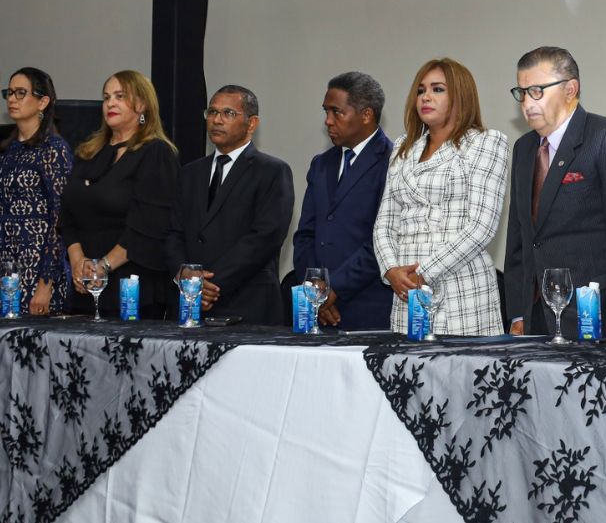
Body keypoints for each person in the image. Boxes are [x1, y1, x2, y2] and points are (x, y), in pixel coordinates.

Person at [504, 46, 606, 340]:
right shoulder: (524, 148)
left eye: (537, 91)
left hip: (594, 312)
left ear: (570, 89)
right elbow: (519, 238)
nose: (527, 103)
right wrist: (518, 312)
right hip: (536, 314)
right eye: (522, 92)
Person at [374, 58, 507, 336]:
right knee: (406, 364)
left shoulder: (486, 142)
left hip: (460, 286)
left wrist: (423, 272)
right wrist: (391, 271)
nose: (426, 97)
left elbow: (481, 227)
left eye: (437, 89)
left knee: (462, 365)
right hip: (406, 291)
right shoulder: (403, 146)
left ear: (461, 96)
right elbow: (384, 223)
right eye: (421, 90)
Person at [165, 85, 294, 325]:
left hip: (247, 304)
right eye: (212, 112)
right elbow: (174, 233)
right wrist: (185, 275)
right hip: (190, 304)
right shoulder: (190, 172)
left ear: (252, 123)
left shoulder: (272, 171)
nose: (217, 120)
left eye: (228, 113)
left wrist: (209, 285)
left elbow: (265, 237)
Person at [60, 70, 179, 318]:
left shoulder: (156, 153)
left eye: (120, 96)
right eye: (106, 97)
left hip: (131, 285)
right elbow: (67, 214)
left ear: (142, 104)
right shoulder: (88, 152)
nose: (110, 103)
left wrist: (102, 266)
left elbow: (149, 225)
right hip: (84, 284)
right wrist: (78, 261)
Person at [293, 72, 393, 330]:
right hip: (317, 308)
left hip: (368, 308)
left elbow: (383, 240)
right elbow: (305, 234)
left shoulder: (394, 161)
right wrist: (314, 290)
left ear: (366, 114)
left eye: (336, 112)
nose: (328, 121)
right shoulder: (321, 164)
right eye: (326, 111)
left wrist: (335, 289)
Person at [0, 67, 72, 316]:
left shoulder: (53, 149)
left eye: (21, 93)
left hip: (36, 267)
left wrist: (46, 283)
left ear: (43, 102)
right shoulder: (3, 152)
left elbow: (60, 217)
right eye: (9, 92)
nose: (12, 99)